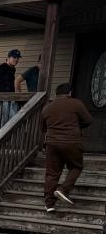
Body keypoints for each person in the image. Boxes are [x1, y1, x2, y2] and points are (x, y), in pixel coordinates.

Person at [40, 83, 92, 212]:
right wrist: (77, 126)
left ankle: (49, 204)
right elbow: (88, 120)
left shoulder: (47, 108)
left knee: (52, 173)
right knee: (76, 166)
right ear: (69, 93)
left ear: (56, 94)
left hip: (51, 143)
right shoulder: (76, 103)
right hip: (71, 142)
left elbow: (43, 128)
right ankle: (62, 189)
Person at [0, 49, 21, 124]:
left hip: (11, 98)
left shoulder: (13, 69)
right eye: (14, 57)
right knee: (4, 121)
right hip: (2, 99)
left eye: (18, 58)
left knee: (14, 120)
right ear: (8, 58)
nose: (16, 59)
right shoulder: (2, 67)